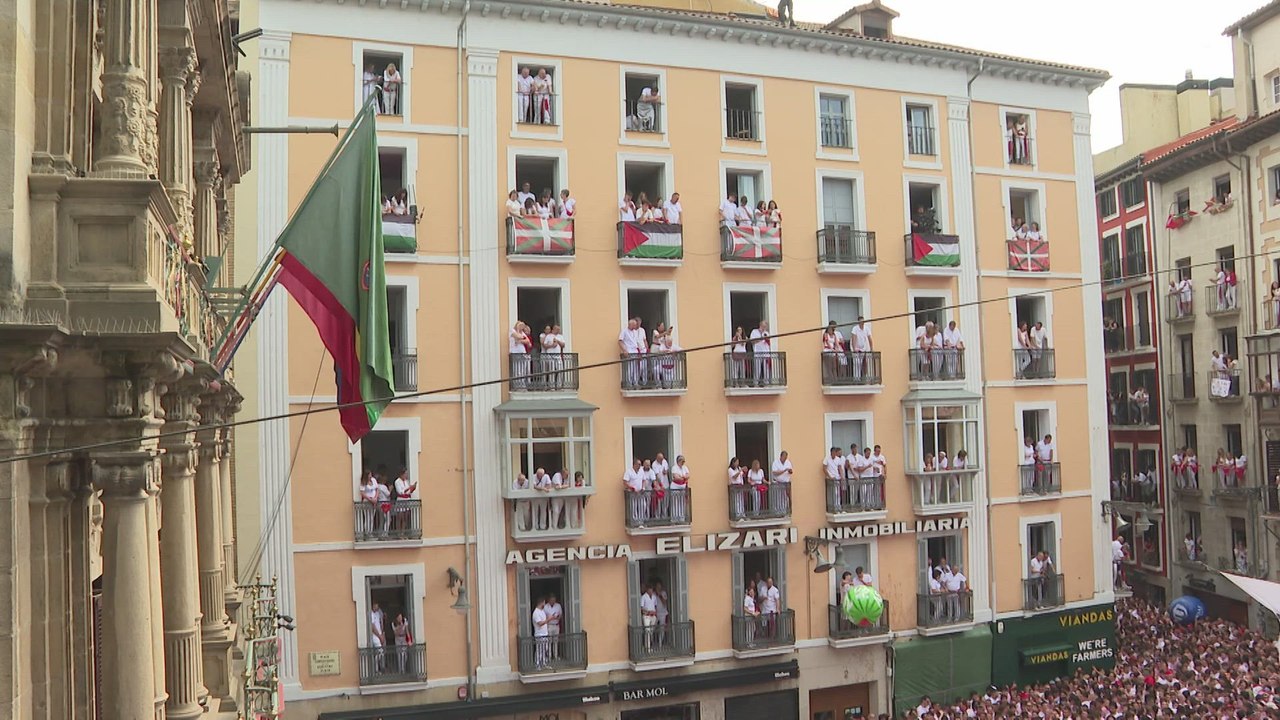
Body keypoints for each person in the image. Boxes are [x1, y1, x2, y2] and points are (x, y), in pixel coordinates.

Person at [618, 317, 647, 389]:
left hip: (636, 351)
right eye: (634, 325)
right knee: (630, 368)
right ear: (630, 325)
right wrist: (624, 350)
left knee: (636, 369)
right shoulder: (624, 331)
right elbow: (620, 341)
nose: (635, 326)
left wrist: (643, 350)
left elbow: (638, 342)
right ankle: (629, 383)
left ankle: (635, 382)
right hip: (629, 351)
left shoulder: (634, 332)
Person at [849, 316, 873, 382]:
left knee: (862, 363)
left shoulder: (866, 329)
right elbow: (854, 338)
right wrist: (854, 349)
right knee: (856, 363)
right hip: (856, 348)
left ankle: (863, 378)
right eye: (861, 322)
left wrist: (871, 348)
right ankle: (856, 379)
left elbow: (869, 338)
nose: (862, 323)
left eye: (863, 321)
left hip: (863, 348)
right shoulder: (855, 328)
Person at [624, 458, 647, 528]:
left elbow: (644, 480)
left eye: (640, 464)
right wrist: (631, 488)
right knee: (633, 507)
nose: (640, 466)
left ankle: (641, 521)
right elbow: (625, 482)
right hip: (632, 492)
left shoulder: (641, 471)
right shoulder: (629, 471)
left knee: (643, 505)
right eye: (639, 464)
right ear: (634, 464)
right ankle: (635, 522)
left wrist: (643, 488)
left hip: (640, 492)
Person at [509, 322, 532, 389]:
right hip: (515, 353)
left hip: (522, 353)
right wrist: (519, 333)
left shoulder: (522, 333)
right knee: (517, 370)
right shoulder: (512, 330)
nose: (522, 327)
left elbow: (528, 341)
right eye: (521, 326)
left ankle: (522, 385)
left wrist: (520, 341)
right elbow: (518, 336)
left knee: (523, 370)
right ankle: (517, 385)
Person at [750, 321, 773, 385]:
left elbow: (769, 343)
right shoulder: (754, 332)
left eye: (765, 326)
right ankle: (756, 383)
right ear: (760, 325)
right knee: (757, 368)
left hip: (766, 353)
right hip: (757, 352)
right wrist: (761, 338)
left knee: (766, 369)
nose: (764, 327)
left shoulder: (766, 333)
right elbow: (752, 341)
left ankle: (766, 382)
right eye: (763, 326)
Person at [669, 455, 690, 523]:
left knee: (681, 502)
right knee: (675, 502)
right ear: (678, 461)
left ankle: (681, 518)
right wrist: (683, 477)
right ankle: (674, 518)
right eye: (682, 461)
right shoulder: (674, 467)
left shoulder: (685, 467)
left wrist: (682, 477)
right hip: (675, 486)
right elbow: (676, 477)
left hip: (682, 486)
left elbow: (688, 475)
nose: (683, 462)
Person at [531, 597, 550, 670]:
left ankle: (544, 663)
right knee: (539, 650)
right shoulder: (536, 612)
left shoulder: (542, 611)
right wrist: (549, 619)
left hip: (545, 634)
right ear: (542, 602)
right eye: (544, 602)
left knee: (545, 649)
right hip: (539, 635)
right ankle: (537, 664)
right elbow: (540, 623)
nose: (544, 604)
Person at [369, 601, 387, 672]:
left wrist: (382, 633)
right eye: (376, 606)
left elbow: (381, 623)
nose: (377, 607)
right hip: (375, 636)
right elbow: (373, 627)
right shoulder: (371, 613)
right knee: (380, 651)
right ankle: (375, 669)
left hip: (380, 634)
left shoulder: (377, 612)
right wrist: (380, 636)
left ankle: (379, 668)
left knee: (381, 652)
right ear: (373, 606)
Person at [545, 593, 563, 660]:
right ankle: (549, 656)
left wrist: (557, 617)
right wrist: (550, 617)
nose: (553, 601)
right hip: (549, 625)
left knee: (556, 641)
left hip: (556, 625)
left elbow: (561, 615)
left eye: (554, 600)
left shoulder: (558, 606)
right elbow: (544, 617)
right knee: (549, 641)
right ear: (549, 600)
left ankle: (555, 655)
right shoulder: (546, 607)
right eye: (551, 600)